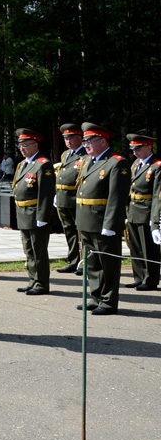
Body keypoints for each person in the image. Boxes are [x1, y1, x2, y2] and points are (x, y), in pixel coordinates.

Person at [75, 122, 131, 315]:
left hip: (102, 222)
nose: (86, 144)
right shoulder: (87, 161)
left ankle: (108, 301)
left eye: (89, 140)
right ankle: (96, 296)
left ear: (102, 140)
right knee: (92, 263)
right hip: (86, 221)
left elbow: (117, 196)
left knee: (108, 264)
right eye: (84, 140)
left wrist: (110, 224)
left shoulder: (116, 162)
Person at [11, 129, 56, 295]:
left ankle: (41, 283)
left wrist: (42, 216)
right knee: (28, 250)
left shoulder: (43, 164)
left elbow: (46, 193)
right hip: (23, 213)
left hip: (35, 212)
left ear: (35, 145)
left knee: (39, 251)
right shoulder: (23, 164)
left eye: (26, 145)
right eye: (20, 145)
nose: (22, 148)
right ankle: (33, 279)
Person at [123, 133, 160, 290]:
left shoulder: (157, 166)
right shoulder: (135, 164)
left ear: (148, 147)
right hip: (133, 209)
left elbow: (158, 195)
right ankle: (139, 276)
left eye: (138, 148)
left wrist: (155, 220)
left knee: (148, 248)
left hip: (147, 210)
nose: (135, 152)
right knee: (135, 246)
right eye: (133, 149)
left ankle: (150, 279)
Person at [55, 124, 85, 275]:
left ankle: (83, 263)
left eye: (72, 137)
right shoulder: (66, 155)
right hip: (63, 198)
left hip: (76, 199)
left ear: (80, 137)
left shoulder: (86, 154)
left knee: (81, 233)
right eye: (66, 138)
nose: (68, 141)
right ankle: (73, 261)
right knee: (69, 232)